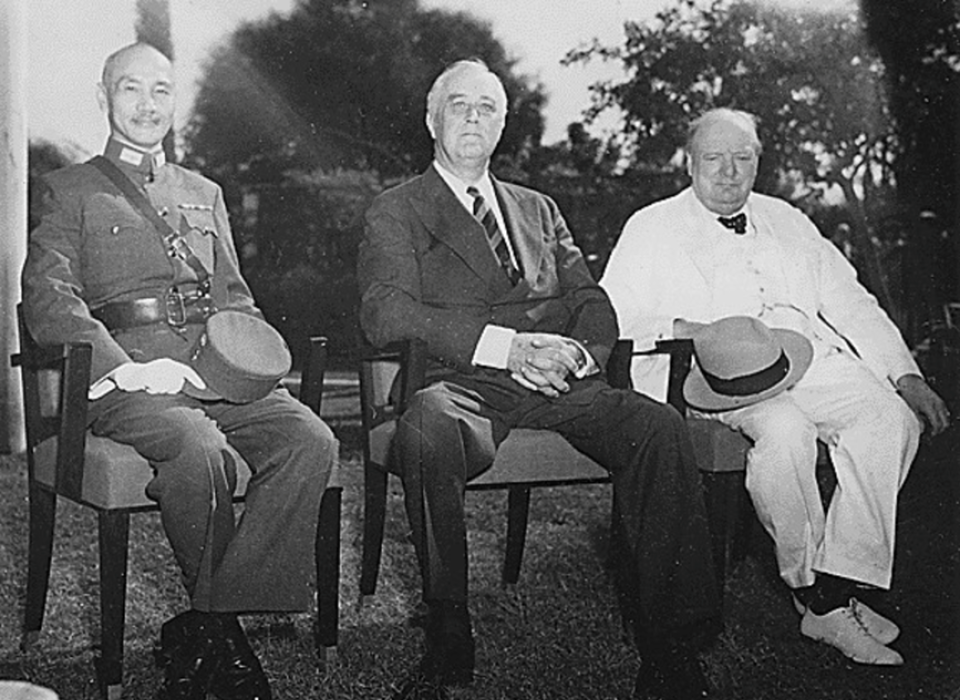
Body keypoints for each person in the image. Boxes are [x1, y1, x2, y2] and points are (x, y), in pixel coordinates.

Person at [358, 59, 722, 700]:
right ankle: (448, 632)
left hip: (559, 381)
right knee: (427, 431)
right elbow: (386, 312)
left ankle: (672, 652)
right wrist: (507, 347)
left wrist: (580, 354)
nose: (474, 117)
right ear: (431, 119)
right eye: (459, 105)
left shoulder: (538, 208)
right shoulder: (397, 211)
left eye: (487, 108)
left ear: (503, 123)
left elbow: (590, 299)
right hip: (464, 379)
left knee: (659, 428)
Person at [22, 43, 338, 700]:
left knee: (311, 438)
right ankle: (225, 644)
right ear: (105, 97)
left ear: (174, 101)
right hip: (127, 383)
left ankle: (208, 621)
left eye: (161, 90)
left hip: (207, 374)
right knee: (200, 448)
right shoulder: (69, 189)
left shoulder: (204, 192)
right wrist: (123, 367)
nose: (147, 104)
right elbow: (49, 297)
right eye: (131, 89)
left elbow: (235, 297)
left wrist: (237, 363)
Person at [601, 107, 950, 667]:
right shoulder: (651, 226)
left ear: (758, 162)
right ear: (689, 163)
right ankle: (819, 593)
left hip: (804, 360)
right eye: (713, 159)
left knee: (890, 417)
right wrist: (683, 330)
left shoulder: (788, 218)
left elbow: (850, 301)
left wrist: (905, 374)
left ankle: (833, 591)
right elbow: (611, 317)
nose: (728, 173)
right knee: (787, 433)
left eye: (742, 159)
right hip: (712, 379)